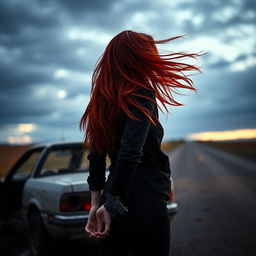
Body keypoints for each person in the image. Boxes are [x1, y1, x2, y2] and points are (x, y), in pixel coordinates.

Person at [79, 30, 203, 256]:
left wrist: (98, 205)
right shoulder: (141, 92)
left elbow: (96, 156)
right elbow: (130, 152)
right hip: (144, 199)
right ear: (136, 58)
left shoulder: (101, 99)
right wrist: (112, 203)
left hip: (110, 200)